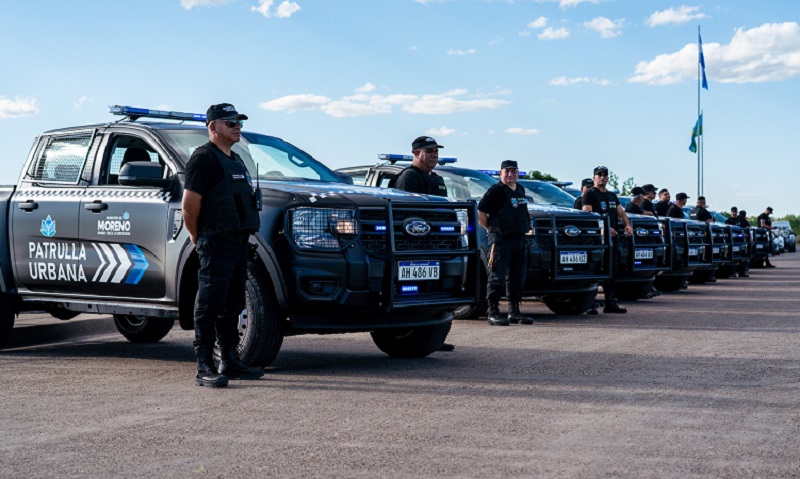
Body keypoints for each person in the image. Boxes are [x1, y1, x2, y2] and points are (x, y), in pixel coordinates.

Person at [182, 103, 265, 388]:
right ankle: (204, 366)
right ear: (213, 127)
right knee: (209, 305)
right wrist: (197, 236)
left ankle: (229, 361)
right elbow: (189, 205)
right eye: (230, 122)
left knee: (233, 304)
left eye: (239, 122)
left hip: (238, 243)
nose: (237, 127)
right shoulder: (203, 158)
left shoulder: (236, 159)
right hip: (215, 241)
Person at [393, 136, 455, 350]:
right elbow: (404, 213)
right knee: (412, 292)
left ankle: (434, 337)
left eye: (435, 151)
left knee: (435, 291)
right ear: (416, 153)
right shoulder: (408, 177)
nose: (434, 155)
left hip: (436, 244)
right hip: (414, 246)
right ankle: (408, 335)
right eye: (428, 151)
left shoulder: (437, 179)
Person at [478, 160, 534, 326]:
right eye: (506, 171)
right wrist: (491, 229)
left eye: (513, 171)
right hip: (501, 239)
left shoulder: (520, 189)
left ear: (517, 173)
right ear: (500, 173)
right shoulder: (496, 190)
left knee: (517, 277)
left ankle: (514, 312)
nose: (510, 175)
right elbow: (481, 211)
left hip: (519, 238)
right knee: (497, 277)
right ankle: (493, 312)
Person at [581, 166, 633, 314]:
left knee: (611, 269)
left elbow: (621, 213)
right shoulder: (590, 193)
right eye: (599, 175)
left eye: (604, 175)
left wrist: (628, 225)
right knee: (596, 269)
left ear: (608, 178)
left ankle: (611, 303)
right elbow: (587, 215)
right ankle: (590, 304)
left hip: (613, 238)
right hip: (597, 239)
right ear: (594, 178)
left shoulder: (611, 196)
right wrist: (602, 227)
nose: (602, 177)